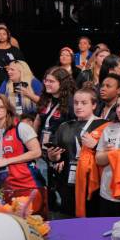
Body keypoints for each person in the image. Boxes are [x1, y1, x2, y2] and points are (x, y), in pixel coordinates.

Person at [46, 88, 109, 217]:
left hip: (93, 184)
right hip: (68, 184)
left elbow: (111, 156)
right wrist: (53, 157)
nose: (79, 106)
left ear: (94, 105)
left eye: (84, 103)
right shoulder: (64, 126)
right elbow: (58, 157)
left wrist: (95, 145)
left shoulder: (105, 126)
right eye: (76, 103)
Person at [0, 94, 43, 198]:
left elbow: (37, 152)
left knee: (30, 214)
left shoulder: (21, 127)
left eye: (0, 107)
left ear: (7, 109)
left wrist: (7, 161)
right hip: (0, 186)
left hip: (26, 183)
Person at [33, 67, 76, 213]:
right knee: (46, 190)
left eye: (51, 81)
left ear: (62, 83)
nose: (47, 83)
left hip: (60, 155)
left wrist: (64, 157)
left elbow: (73, 133)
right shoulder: (47, 99)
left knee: (60, 193)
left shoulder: (71, 102)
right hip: (43, 152)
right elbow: (39, 120)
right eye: (46, 80)